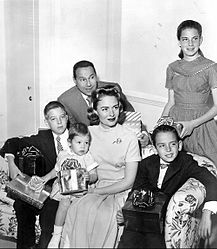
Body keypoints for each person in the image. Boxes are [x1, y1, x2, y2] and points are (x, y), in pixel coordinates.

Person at [60, 85, 141, 248]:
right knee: (79, 208)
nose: (111, 114)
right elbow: (71, 160)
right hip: (92, 187)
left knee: (105, 216)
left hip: (118, 190)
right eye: (104, 109)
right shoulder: (87, 134)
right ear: (95, 111)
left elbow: (129, 181)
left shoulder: (129, 138)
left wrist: (95, 191)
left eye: (115, 107)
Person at [118, 124, 217, 248]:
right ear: (155, 149)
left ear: (180, 145)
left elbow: (211, 180)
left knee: (154, 243)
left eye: (172, 144)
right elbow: (136, 191)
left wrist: (207, 212)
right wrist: (127, 214)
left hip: (165, 221)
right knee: (128, 240)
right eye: (162, 146)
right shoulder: (146, 163)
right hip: (142, 217)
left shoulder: (185, 162)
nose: (168, 149)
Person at [0, 101, 69, 248]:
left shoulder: (77, 134)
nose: (59, 122)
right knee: (22, 205)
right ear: (46, 121)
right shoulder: (42, 138)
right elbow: (12, 142)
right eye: (53, 119)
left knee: (48, 219)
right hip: (45, 187)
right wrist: (11, 162)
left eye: (62, 117)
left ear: (67, 117)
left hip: (64, 190)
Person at [161, 20, 217, 173]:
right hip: (177, 124)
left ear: (201, 40)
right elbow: (170, 102)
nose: (190, 43)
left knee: (211, 171)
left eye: (195, 38)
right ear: (179, 42)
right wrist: (160, 126)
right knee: (176, 171)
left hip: (202, 124)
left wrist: (193, 124)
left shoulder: (211, 67)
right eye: (185, 39)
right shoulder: (172, 68)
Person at [57, 60, 149, 148]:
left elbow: (131, 115)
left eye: (92, 77)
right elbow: (73, 133)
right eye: (83, 80)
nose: (88, 84)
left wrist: (144, 135)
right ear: (74, 80)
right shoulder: (66, 100)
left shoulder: (112, 89)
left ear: (96, 76)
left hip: (119, 140)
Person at [43, 123, 98, 248]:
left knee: (74, 210)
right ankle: (56, 235)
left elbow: (95, 175)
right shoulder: (63, 154)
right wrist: (45, 178)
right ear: (69, 142)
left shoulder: (87, 157)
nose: (83, 146)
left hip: (79, 191)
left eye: (86, 143)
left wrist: (90, 178)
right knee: (64, 203)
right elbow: (56, 170)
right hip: (63, 189)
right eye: (79, 142)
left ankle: (68, 239)